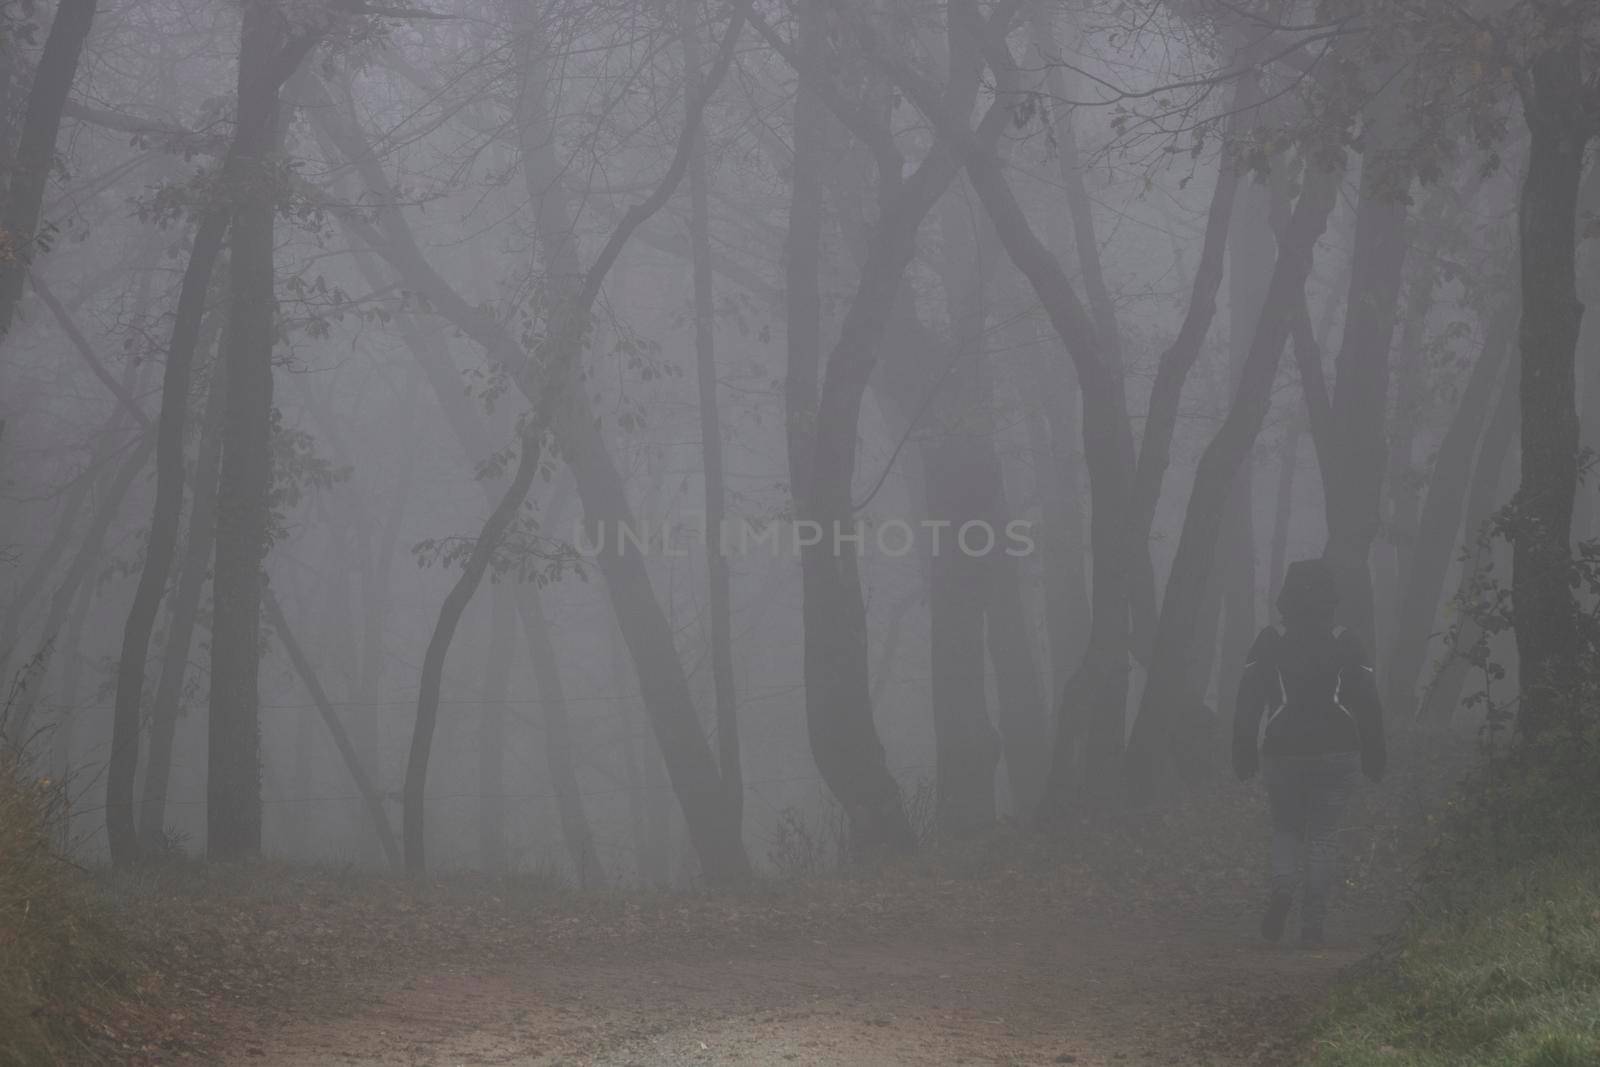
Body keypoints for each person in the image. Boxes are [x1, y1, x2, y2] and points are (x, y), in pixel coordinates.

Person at [1232, 558, 1386, 948]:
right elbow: (1367, 702)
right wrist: (1375, 753)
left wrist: (1243, 750)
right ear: (1331, 598)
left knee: (1286, 829)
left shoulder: (1269, 641)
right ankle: (1312, 927)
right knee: (1324, 837)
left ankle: (1283, 890)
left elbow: (1248, 700)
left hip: (1282, 752)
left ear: (1286, 598)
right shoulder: (1346, 641)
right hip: (1338, 750)